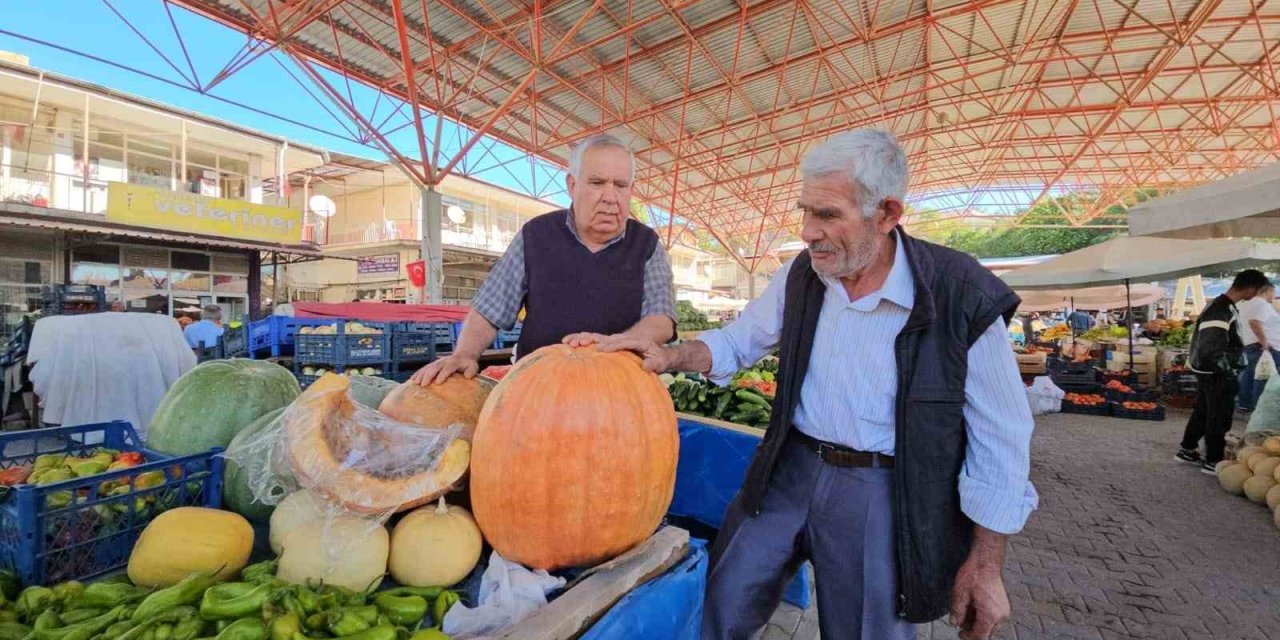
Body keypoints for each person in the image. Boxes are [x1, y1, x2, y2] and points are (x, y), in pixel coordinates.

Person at [601, 130, 1036, 640]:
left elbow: (1001, 436)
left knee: (867, 628)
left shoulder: (959, 293)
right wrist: (669, 355)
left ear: (888, 214)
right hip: (790, 467)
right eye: (805, 212)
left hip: (881, 488)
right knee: (725, 595)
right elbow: (738, 342)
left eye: (827, 215)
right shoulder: (801, 276)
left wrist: (985, 564)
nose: (808, 232)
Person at [411, 133, 676, 385]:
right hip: (536, 391)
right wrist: (465, 355)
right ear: (572, 185)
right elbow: (490, 308)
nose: (610, 197)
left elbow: (661, 319)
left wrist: (613, 346)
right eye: (597, 183)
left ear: (631, 189)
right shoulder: (536, 235)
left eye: (620, 185)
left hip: (619, 388)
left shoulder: (647, 244)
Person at [1175, 269, 1270, 472]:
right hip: (1216, 373)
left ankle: (1187, 449)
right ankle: (1213, 461)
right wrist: (1227, 371)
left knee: (1203, 412)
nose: (1256, 294)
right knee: (1218, 416)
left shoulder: (1225, 306)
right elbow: (1212, 347)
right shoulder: (1220, 309)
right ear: (1250, 288)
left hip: (1210, 371)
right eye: (1258, 290)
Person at [1235, 283, 1280, 412]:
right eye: (1273, 292)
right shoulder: (1261, 304)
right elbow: (1254, 322)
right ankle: (1260, 408)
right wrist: (1265, 343)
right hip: (1264, 347)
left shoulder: (1246, 304)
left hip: (1251, 345)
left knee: (1251, 374)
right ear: (1267, 291)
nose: (1274, 296)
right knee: (1264, 376)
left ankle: (1245, 403)